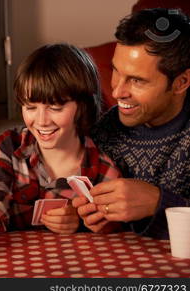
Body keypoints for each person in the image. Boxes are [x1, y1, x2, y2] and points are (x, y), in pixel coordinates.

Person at [0, 44, 122, 251]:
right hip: (11, 260)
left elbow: (114, 225)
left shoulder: (103, 165)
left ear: (83, 107)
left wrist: (81, 222)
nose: (42, 121)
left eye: (55, 108)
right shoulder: (8, 147)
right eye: (30, 107)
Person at [73, 8, 190, 239]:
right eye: (116, 71)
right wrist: (93, 219)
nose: (117, 91)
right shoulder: (103, 132)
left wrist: (157, 202)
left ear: (181, 82)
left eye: (137, 80)